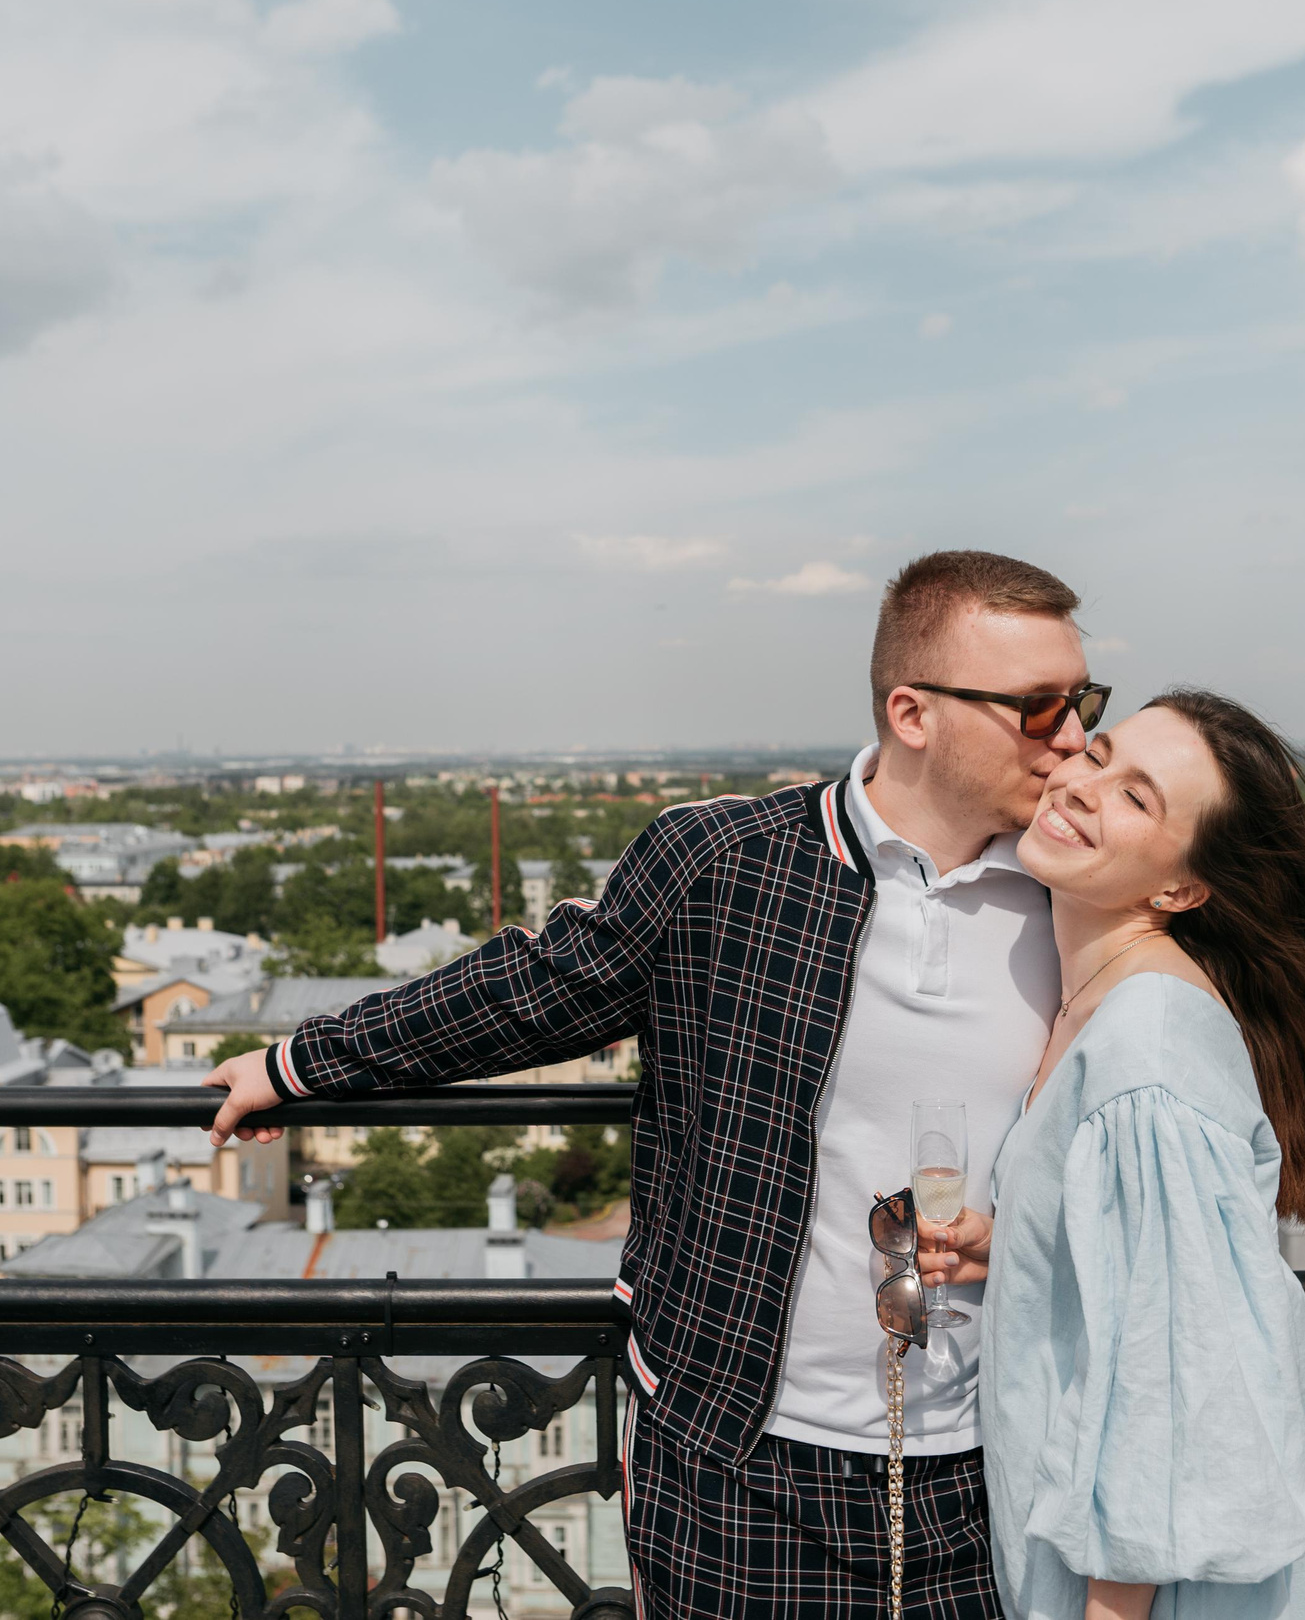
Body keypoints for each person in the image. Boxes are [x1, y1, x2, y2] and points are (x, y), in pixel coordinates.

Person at [203, 550, 1109, 1617]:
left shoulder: (1084, 891)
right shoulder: (726, 865)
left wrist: (1032, 1230)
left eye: (1084, 702)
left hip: (990, 1454)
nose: (1076, 739)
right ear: (913, 712)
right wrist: (298, 1064)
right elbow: (532, 989)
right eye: (1040, 708)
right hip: (737, 1455)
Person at [917, 689, 1305, 1619]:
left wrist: (1108, 1611)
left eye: (1140, 799)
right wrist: (1022, 1241)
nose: (1084, 787)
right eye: (1098, 755)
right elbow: (1143, 1275)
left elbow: (1176, 1376)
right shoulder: (1102, 1005)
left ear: (1180, 890)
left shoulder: (1146, 1048)